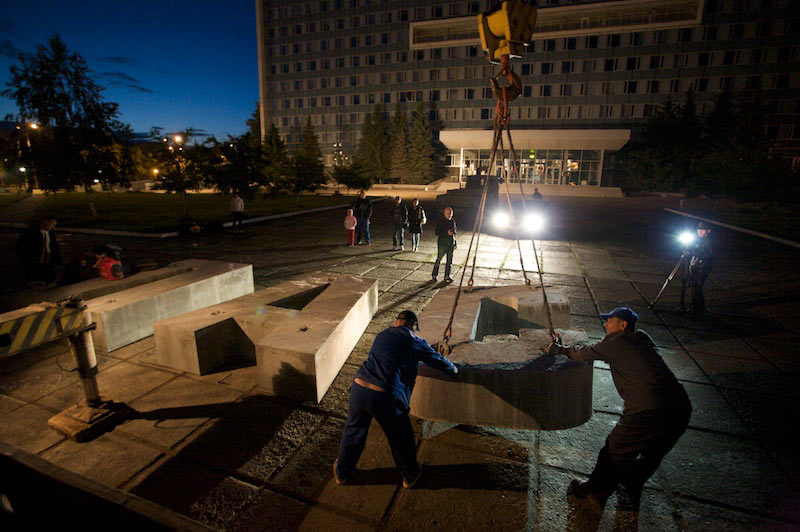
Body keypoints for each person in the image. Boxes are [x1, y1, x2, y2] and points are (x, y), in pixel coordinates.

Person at [548, 307, 692, 514]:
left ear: (623, 325)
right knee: (651, 455)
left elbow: (585, 354)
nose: (605, 324)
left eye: (610, 321)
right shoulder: (641, 340)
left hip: (647, 410)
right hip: (680, 409)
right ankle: (631, 488)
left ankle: (595, 491)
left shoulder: (619, 341)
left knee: (614, 450)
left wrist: (559, 350)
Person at [334, 310, 459, 488]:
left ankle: (342, 473)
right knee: (401, 437)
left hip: (359, 388)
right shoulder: (414, 340)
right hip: (384, 395)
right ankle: (410, 475)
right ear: (413, 325)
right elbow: (436, 360)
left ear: (397, 322)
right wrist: (454, 370)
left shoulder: (382, 335)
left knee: (354, 431)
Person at [16, 215, 61, 287]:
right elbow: (22, 246)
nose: (52, 226)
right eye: (52, 224)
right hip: (35, 259)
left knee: (48, 276)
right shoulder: (30, 232)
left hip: (48, 259)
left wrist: (56, 258)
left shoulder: (51, 233)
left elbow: (54, 246)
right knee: (35, 277)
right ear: (45, 221)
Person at [680, 221, 713, 313]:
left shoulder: (709, 241)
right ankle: (696, 307)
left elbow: (707, 254)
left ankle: (699, 308)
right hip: (696, 265)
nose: (700, 232)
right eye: (699, 230)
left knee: (697, 286)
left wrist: (692, 253)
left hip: (703, 267)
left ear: (708, 231)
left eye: (703, 230)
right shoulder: (699, 239)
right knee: (694, 286)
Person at [432, 207, 456, 283]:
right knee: (439, 259)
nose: (450, 215)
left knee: (449, 261)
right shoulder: (441, 221)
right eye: (448, 213)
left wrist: (455, 242)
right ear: (444, 213)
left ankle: (447, 276)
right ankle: (434, 274)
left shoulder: (452, 221)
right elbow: (437, 232)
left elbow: (455, 232)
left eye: (451, 213)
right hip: (442, 243)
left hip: (450, 244)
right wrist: (446, 232)